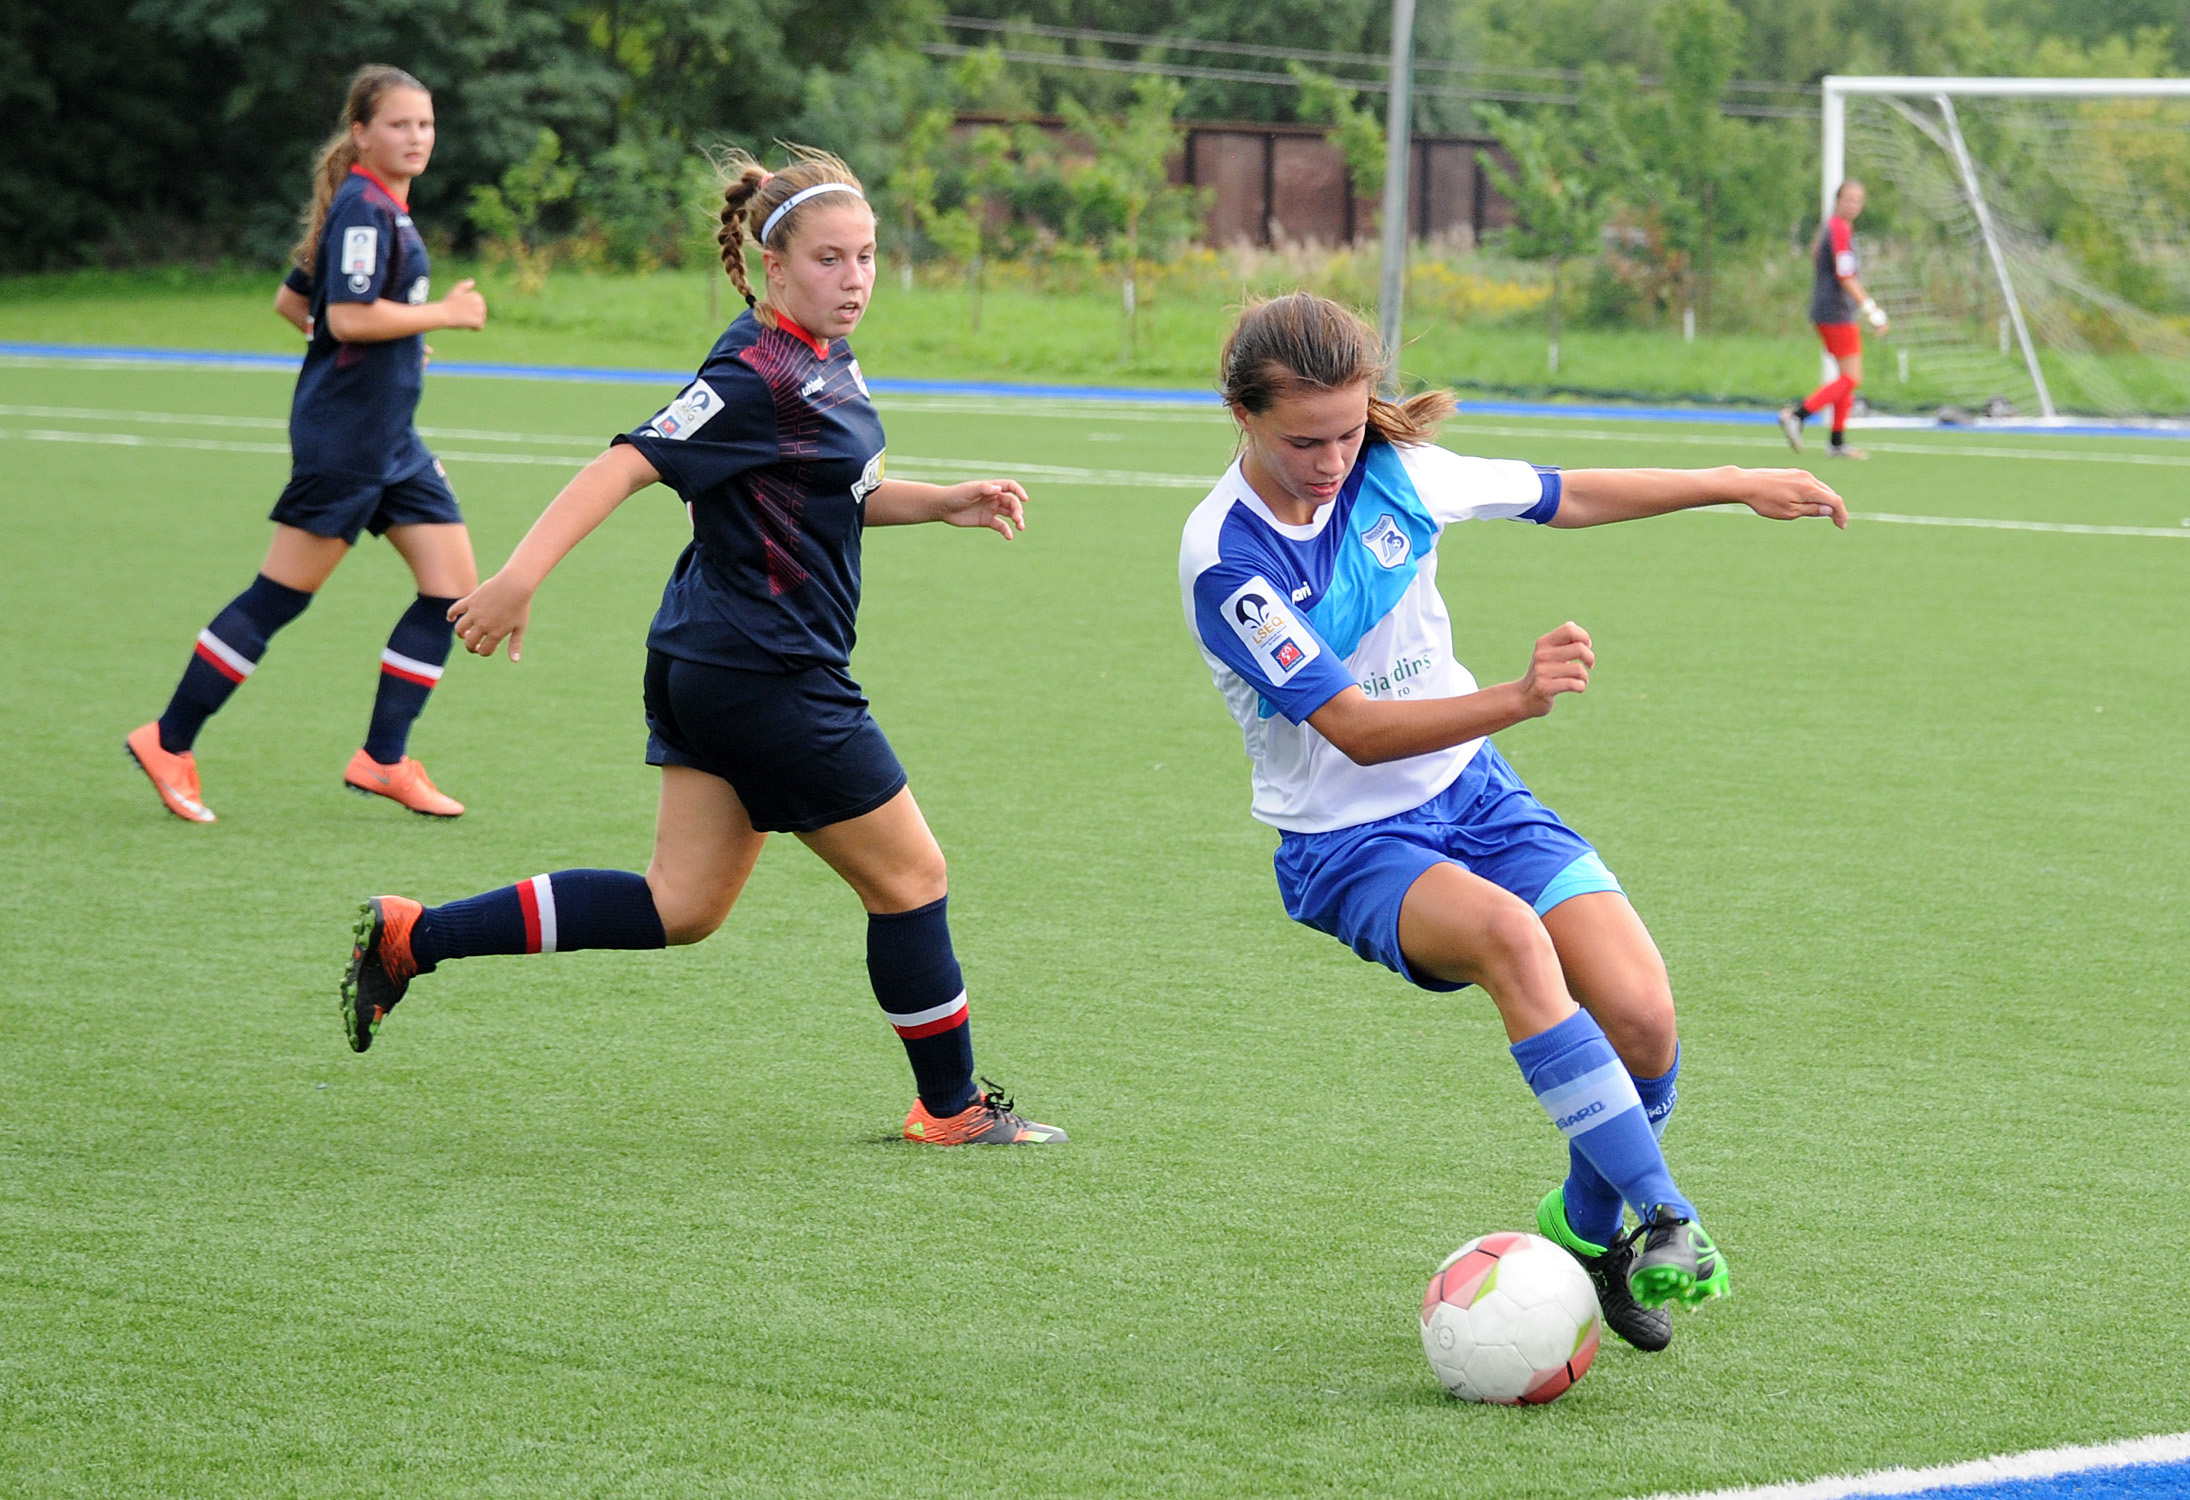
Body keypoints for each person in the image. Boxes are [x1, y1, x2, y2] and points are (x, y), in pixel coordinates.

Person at [339, 147, 1065, 1147]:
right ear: (774, 267)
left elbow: (829, 488)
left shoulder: (821, 357)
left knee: (681, 905)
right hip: (765, 673)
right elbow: (629, 463)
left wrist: (941, 502)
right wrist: (518, 575)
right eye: (829, 260)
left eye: (866, 258)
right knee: (911, 879)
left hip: (713, 663)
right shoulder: (753, 372)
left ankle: (417, 937)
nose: (853, 280)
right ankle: (950, 1108)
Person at [1180, 294, 1848, 1346]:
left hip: (1478, 798)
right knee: (1510, 939)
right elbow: (1353, 728)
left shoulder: (1396, 471)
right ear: (1243, 415)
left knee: (1643, 1017)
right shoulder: (1226, 559)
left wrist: (1731, 484)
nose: (1331, 459)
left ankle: (1584, 1230)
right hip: (1347, 845)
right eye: (1304, 439)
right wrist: (1519, 698)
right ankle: (1669, 1214)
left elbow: (1563, 494)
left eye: (1350, 431)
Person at [126, 65, 488, 824]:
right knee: (278, 598)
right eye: (399, 124)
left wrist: (391, 352)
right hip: (348, 442)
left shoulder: (378, 207)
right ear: (361, 132)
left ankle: (383, 760)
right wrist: (442, 319)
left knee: (452, 590)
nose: (416, 137)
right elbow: (350, 318)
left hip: (392, 442)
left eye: (425, 124)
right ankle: (168, 739)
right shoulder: (363, 208)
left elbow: (297, 301)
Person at [1779, 179, 1888, 460]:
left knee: (1846, 378)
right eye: (1848, 199)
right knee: (1851, 378)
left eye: (1858, 200)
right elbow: (1845, 275)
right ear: (1838, 200)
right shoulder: (1837, 228)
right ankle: (1798, 415)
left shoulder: (1836, 228)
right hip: (1835, 312)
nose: (1853, 204)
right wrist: (1872, 311)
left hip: (1836, 310)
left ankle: (1837, 442)